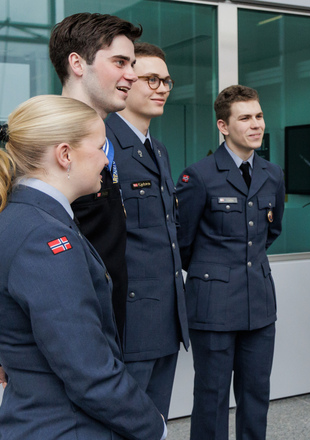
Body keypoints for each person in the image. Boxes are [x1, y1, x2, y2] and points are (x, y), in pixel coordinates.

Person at [0, 95, 166, 439]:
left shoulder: (19, 216)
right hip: (65, 425)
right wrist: (154, 428)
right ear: (65, 155)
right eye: (101, 148)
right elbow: (88, 370)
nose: (107, 162)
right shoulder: (44, 235)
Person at [176, 85, 284, 440]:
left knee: (256, 396)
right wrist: (217, 272)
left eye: (259, 116)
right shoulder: (200, 175)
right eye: (245, 118)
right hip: (214, 305)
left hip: (259, 304)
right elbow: (184, 244)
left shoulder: (272, 174)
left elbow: (271, 231)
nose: (256, 125)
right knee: (212, 396)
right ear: (223, 126)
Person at [107, 41, 189, 419]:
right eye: (151, 79)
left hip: (166, 317)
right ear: (126, 82)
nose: (161, 88)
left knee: (156, 422)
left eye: (166, 81)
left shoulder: (158, 148)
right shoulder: (103, 142)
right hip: (130, 322)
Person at [49, 12, 141, 342]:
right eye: (120, 62)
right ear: (77, 63)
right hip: (70, 341)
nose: (132, 75)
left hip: (107, 330)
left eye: (132, 63)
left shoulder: (104, 141)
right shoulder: (48, 146)